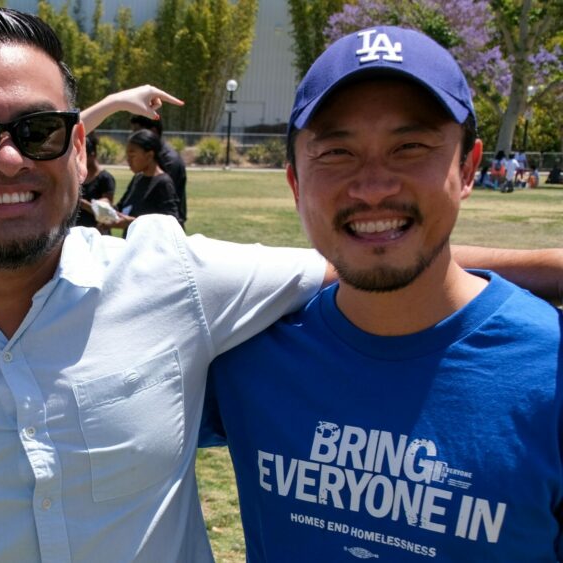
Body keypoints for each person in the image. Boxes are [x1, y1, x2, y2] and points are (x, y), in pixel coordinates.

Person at [0, 6, 331, 561]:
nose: (8, 159)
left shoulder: (171, 276)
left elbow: (362, 269)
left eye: (40, 131)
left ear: (79, 150)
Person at [200, 26, 563, 560]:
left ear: (468, 167)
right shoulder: (244, 352)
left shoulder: (550, 369)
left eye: (410, 147)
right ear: (296, 184)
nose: (373, 187)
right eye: (336, 152)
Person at [113, 129, 181, 234]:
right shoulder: (137, 178)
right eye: (127, 156)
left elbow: (171, 225)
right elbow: (121, 208)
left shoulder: (163, 183)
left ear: (149, 155)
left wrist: (132, 222)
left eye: (132, 156)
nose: (128, 160)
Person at [129, 113, 189, 228]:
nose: (134, 136)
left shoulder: (169, 162)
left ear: (153, 132)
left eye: (137, 132)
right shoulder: (144, 166)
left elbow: (164, 207)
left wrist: (129, 220)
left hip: (162, 230)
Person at [75, 133, 115, 233]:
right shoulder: (78, 177)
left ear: (92, 155)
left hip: (97, 233)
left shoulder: (105, 178)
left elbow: (107, 214)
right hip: (78, 232)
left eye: (82, 157)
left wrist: (83, 204)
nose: (79, 161)